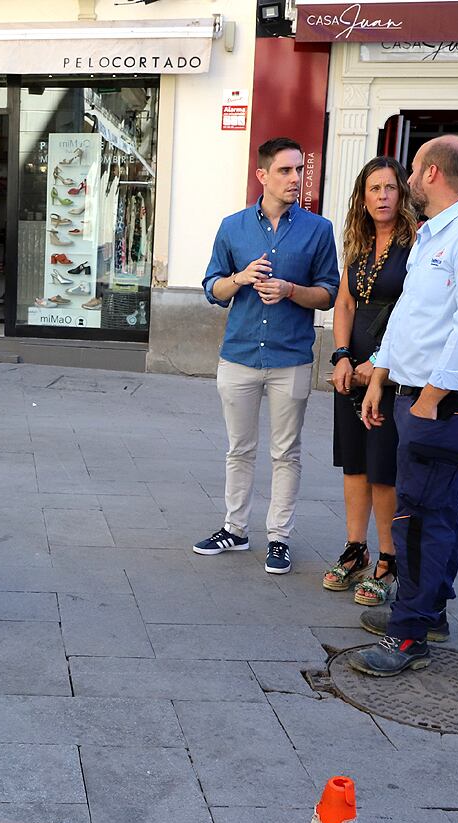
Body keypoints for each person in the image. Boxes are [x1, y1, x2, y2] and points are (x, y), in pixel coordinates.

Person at [350, 135, 458, 676]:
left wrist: (431, 395)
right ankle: (426, 613)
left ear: (428, 174)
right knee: (433, 508)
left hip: (447, 402)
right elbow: (411, 316)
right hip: (415, 392)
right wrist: (381, 373)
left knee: (419, 517)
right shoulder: (433, 235)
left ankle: (408, 635)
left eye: (410, 172)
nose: (402, 184)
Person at [198, 137, 340, 575]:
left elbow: (328, 294)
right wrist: (239, 277)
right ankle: (235, 530)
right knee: (239, 449)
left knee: (286, 453)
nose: (296, 179)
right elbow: (212, 289)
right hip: (239, 355)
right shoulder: (233, 226)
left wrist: (290, 290)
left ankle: (279, 538)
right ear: (262, 175)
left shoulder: (319, 229)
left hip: (291, 357)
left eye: (299, 170)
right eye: (285, 170)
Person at [323, 157, 416, 606]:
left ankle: (388, 558)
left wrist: (378, 363)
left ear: (403, 194)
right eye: (373, 188)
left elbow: (416, 314)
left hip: (392, 374)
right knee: (355, 464)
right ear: (362, 197)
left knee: (384, 468)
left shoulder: (416, 244)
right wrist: (342, 356)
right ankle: (355, 548)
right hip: (353, 370)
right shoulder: (358, 242)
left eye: (390, 187)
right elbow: (344, 303)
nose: (381, 196)